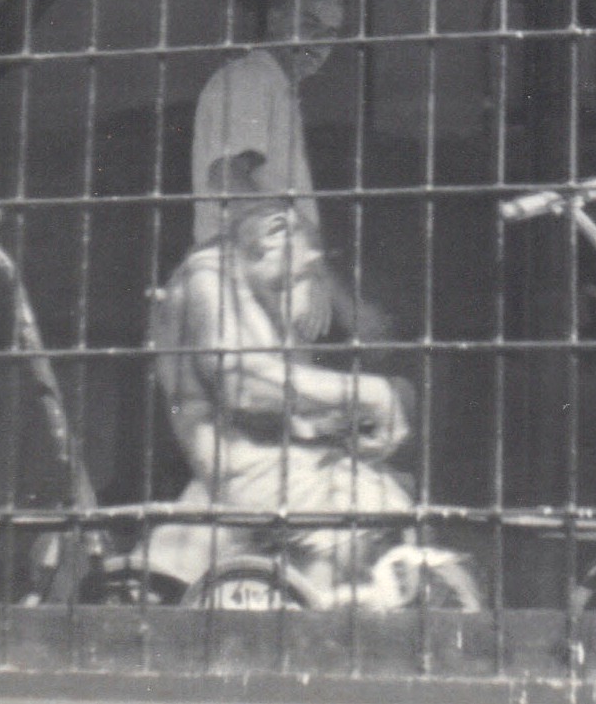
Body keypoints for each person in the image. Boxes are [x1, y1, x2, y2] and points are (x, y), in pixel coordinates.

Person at [145, 200, 415, 606]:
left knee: (388, 506)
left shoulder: (239, 285)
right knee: (367, 507)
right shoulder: (208, 277)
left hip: (264, 456)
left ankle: (327, 601)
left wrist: (342, 414)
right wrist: (369, 394)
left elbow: (269, 390)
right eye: (299, 273)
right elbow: (241, 382)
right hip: (243, 467)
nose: (294, 287)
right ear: (274, 232)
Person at [192, 0, 375, 344]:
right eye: (308, 24)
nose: (319, 44)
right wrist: (301, 271)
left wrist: (340, 300)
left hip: (265, 287)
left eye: (330, 35)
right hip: (245, 286)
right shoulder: (250, 79)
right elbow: (228, 178)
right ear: (275, 19)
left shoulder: (277, 90)